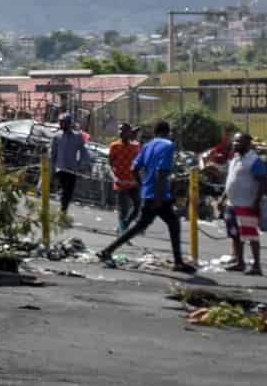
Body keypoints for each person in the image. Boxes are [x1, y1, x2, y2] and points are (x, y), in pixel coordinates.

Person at [97, 119, 195, 274]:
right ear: (168, 132)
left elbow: (134, 168)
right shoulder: (168, 145)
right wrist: (158, 196)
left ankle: (178, 261)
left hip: (150, 191)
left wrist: (143, 185)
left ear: (155, 133)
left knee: (160, 224)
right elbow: (162, 172)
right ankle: (107, 251)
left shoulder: (147, 146)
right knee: (159, 224)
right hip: (159, 194)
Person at [220, 132, 267, 276]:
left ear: (248, 144)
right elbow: (230, 180)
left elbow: (262, 182)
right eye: (234, 142)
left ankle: (256, 265)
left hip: (246, 204)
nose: (235, 144)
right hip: (232, 203)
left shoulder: (254, 160)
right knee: (235, 234)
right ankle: (239, 262)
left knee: (251, 236)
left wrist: (256, 202)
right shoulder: (235, 159)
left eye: (239, 142)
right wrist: (222, 198)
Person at [48, 113, 89, 213]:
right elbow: (52, 153)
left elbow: (84, 152)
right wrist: (52, 167)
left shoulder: (77, 136)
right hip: (60, 169)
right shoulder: (56, 136)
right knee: (64, 189)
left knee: (69, 192)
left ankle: (63, 210)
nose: (62, 125)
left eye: (64, 123)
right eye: (61, 122)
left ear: (69, 123)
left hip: (72, 169)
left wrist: (81, 164)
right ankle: (62, 211)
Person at [108, 123, 141, 231]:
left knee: (137, 206)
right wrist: (115, 179)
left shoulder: (136, 146)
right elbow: (110, 165)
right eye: (120, 130)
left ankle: (124, 226)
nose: (121, 132)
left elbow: (139, 165)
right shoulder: (114, 146)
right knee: (124, 209)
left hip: (132, 182)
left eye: (124, 130)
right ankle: (122, 231)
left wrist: (139, 180)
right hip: (120, 182)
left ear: (129, 133)